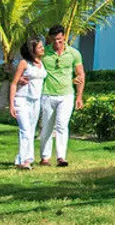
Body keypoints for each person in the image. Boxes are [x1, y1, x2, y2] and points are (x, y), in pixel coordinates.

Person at [38, 24, 84, 167]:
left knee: (62, 125)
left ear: (64, 37)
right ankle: (45, 158)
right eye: (54, 40)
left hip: (67, 95)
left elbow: (80, 75)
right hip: (47, 94)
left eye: (59, 40)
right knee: (46, 126)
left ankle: (61, 157)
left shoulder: (74, 54)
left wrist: (79, 96)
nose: (57, 43)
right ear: (50, 39)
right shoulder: (44, 53)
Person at [7, 38, 46, 170]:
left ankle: (23, 158)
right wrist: (11, 104)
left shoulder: (41, 63)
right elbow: (13, 83)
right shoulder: (24, 63)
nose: (42, 48)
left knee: (31, 129)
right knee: (25, 130)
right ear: (32, 50)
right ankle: (24, 161)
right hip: (22, 99)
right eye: (40, 47)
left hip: (36, 100)